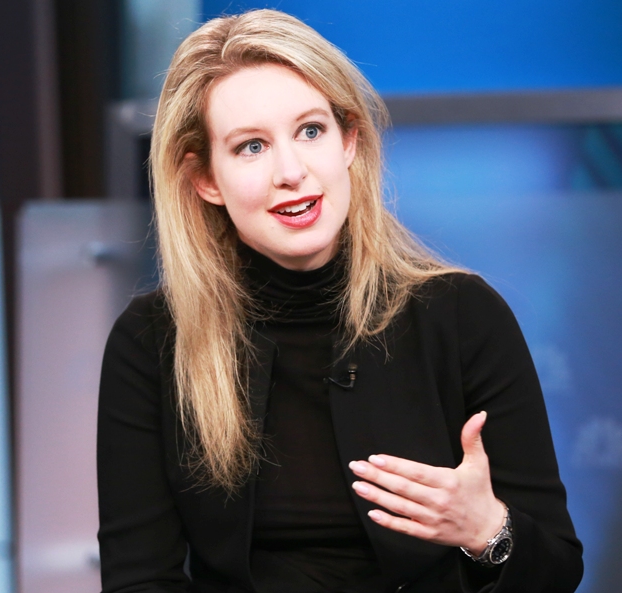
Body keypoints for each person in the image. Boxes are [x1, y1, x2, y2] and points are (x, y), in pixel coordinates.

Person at [97, 9, 583, 593]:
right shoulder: (152, 341)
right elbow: (139, 580)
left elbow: (557, 568)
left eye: (310, 131)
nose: (291, 171)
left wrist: (486, 529)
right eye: (251, 146)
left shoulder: (462, 315)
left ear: (349, 140)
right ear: (205, 179)